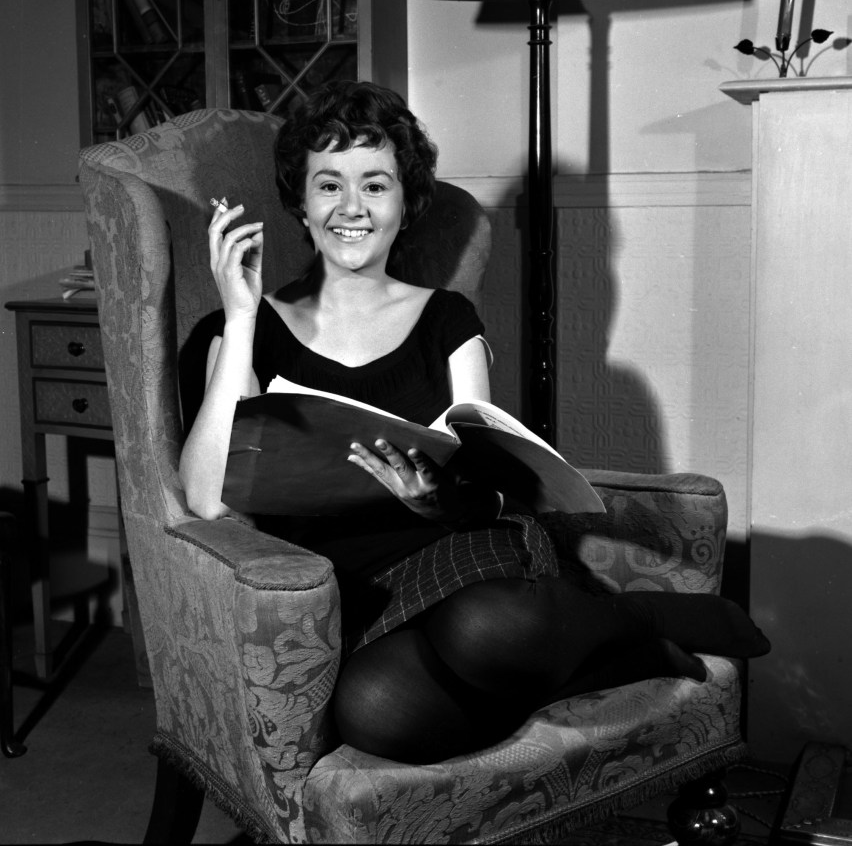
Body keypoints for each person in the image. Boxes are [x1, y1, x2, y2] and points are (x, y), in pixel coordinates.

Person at [179, 81, 770, 764]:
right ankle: (614, 652)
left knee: (486, 624)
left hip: (461, 546)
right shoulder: (244, 330)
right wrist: (243, 317)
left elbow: (488, 477)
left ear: (405, 203)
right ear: (300, 204)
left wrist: (437, 498)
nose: (351, 208)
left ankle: (630, 617)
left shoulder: (447, 321)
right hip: (351, 583)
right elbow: (207, 497)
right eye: (328, 186)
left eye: (375, 186)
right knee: (377, 716)